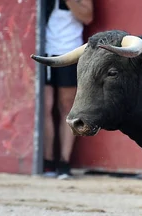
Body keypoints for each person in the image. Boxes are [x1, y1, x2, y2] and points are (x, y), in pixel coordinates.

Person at [43, 0, 93, 179]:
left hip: (69, 50)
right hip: (42, 50)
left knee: (67, 107)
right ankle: (47, 161)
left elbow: (87, 17)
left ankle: (64, 163)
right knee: (44, 106)